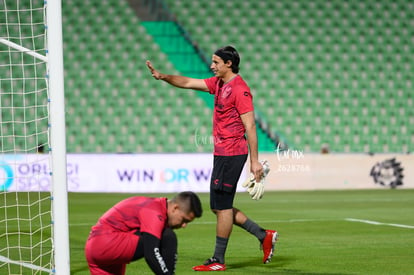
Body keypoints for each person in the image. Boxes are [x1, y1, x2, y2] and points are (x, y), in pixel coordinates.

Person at [146, 45, 278, 271]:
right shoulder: (217, 84)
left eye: (216, 62)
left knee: (223, 207)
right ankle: (263, 235)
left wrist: (254, 161)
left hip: (233, 154)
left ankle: (218, 259)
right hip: (221, 154)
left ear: (229, 64)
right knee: (218, 207)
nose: (211, 66)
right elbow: (188, 82)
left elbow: (251, 127)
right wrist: (163, 76)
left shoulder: (240, 89)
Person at [85, 191, 203, 275]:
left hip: (96, 248)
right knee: (167, 236)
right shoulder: (155, 212)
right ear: (175, 208)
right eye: (184, 220)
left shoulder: (153, 205)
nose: (184, 226)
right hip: (107, 243)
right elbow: (151, 254)